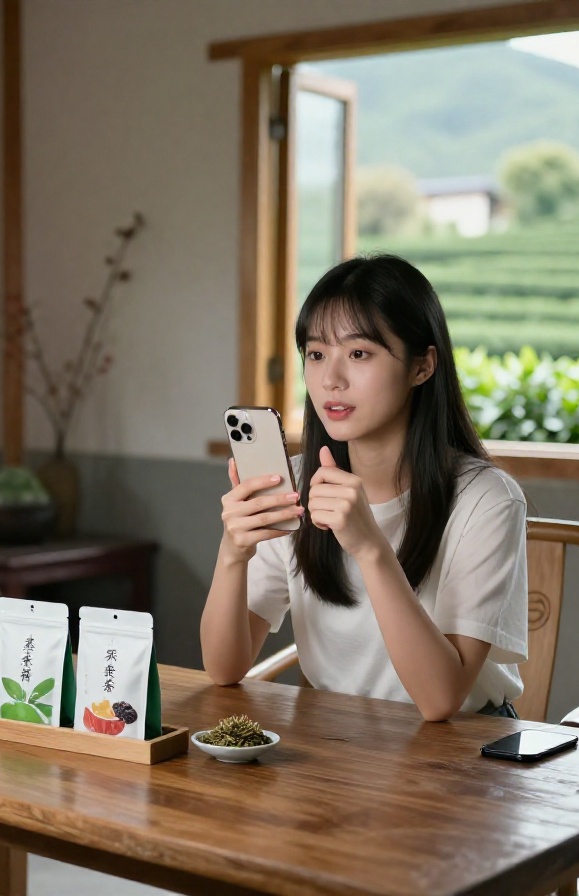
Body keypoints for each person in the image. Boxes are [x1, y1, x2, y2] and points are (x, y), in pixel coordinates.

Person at [201, 254, 528, 721]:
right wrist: (233, 554)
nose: (331, 379)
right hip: (337, 746)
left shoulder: (486, 500)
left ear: (422, 366)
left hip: (462, 752)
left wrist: (371, 548)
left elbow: (440, 700)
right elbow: (223, 667)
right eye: (316, 354)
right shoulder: (294, 485)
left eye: (359, 353)